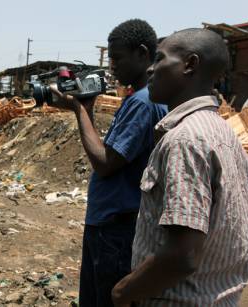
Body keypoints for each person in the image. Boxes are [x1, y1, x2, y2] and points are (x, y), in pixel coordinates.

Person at [111, 28, 248, 307]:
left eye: (160, 59)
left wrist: (123, 291)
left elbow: (182, 255)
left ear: (190, 65)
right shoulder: (223, 134)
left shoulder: (185, 140)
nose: (150, 69)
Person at [51, 19, 167, 306]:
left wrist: (78, 109)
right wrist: (86, 109)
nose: (112, 66)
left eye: (117, 58)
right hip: (114, 224)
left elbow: (104, 162)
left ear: (142, 54)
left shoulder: (142, 102)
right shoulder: (143, 99)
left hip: (115, 228)